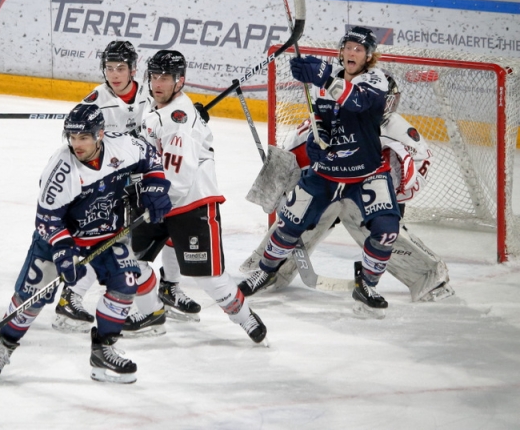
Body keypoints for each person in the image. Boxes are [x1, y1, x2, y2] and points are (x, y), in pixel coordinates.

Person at [0, 103, 172, 384]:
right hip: (61, 239)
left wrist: (155, 186)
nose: (76, 144)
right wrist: (63, 250)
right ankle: (5, 345)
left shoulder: (125, 147)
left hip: (107, 234)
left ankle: (104, 349)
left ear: (100, 134)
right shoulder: (60, 170)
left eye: (83, 137)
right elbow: (47, 220)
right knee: (32, 295)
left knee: (125, 283)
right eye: (71, 137)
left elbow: (152, 155)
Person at [240, 75, 454, 302]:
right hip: (326, 189)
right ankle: (270, 270)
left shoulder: (399, 130)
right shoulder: (328, 122)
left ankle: (427, 277)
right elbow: (288, 154)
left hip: (367, 194)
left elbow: (419, 168)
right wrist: (279, 188)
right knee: (296, 216)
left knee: (383, 231)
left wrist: (393, 194)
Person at [238, 26, 401, 318]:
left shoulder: (375, 80)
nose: (352, 53)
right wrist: (316, 141)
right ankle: (266, 272)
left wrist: (324, 76)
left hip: (366, 172)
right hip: (326, 172)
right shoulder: (322, 82)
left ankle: (367, 284)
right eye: (348, 47)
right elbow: (321, 119)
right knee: (288, 223)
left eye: (359, 49)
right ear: (341, 51)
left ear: (368, 56)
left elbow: (358, 102)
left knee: (387, 230)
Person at [53, 41, 201, 333]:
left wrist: (193, 117)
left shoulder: (153, 90)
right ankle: (71, 296)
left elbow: (176, 116)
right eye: (109, 68)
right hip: (114, 181)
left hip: (148, 175)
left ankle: (169, 288)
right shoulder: (94, 102)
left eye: (121, 68)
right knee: (108, 241)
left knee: (172, 222)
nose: (114, 75)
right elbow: (74, 143)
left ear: (134, 69)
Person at [124, 49, 267, 343]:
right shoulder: (159, 108)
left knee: (209, 278)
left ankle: (245, 318)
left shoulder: (179, 121)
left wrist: (153, 201)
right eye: (153, 76)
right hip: (159, 195)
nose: (157, 83)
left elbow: (178, 178)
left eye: (165, 77)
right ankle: (152, 312)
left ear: (180, 81)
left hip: (191, 203)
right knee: (130, 260)